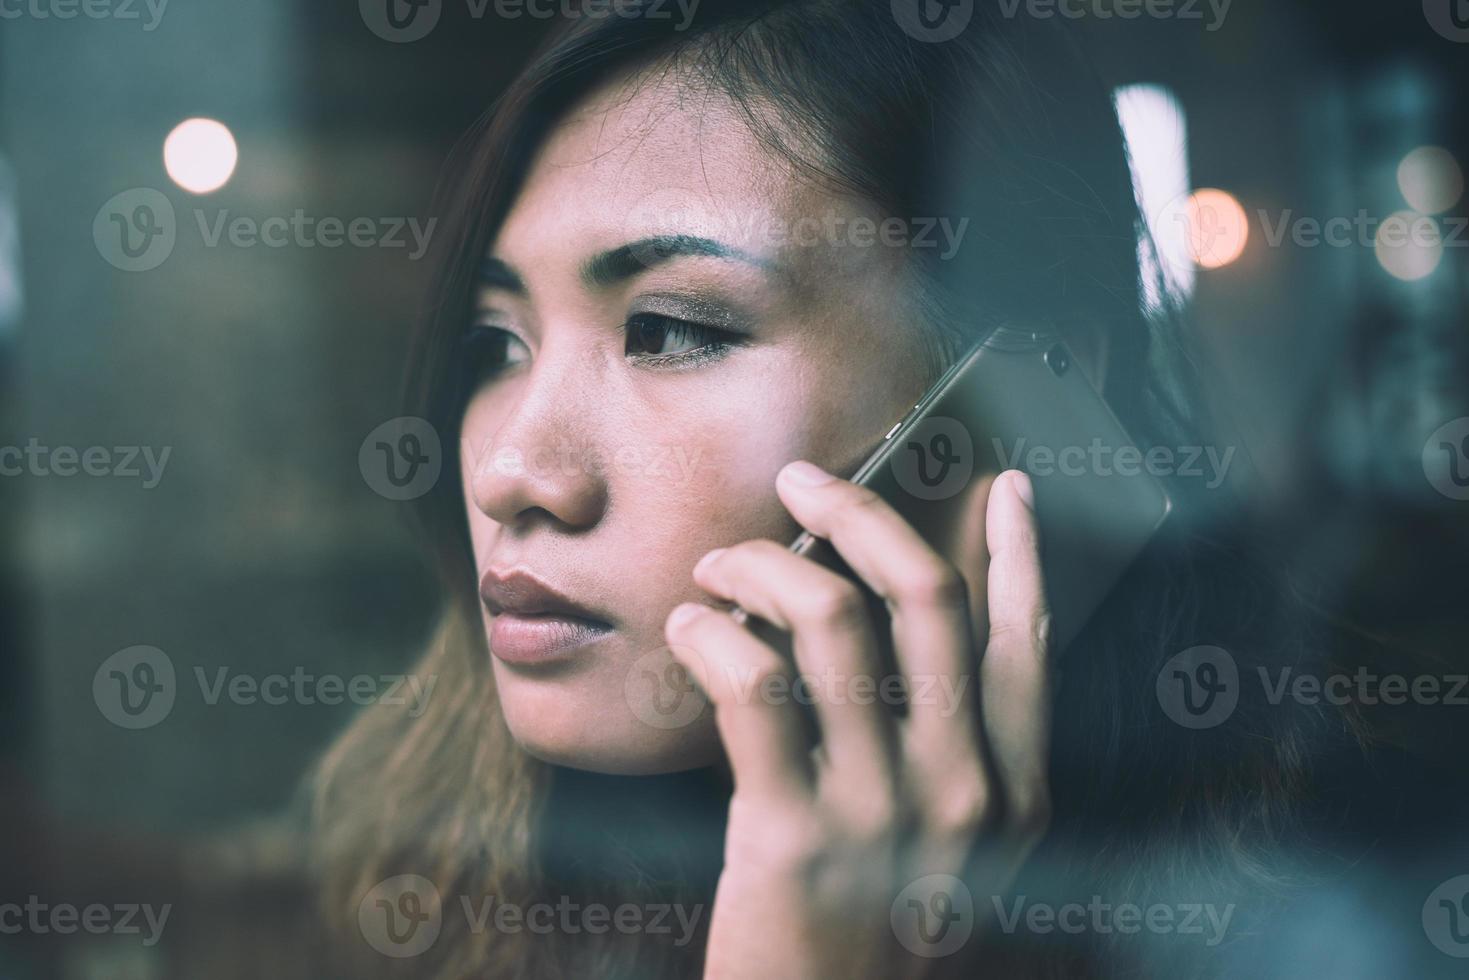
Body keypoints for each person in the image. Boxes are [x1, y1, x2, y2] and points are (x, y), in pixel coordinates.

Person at [314, 2, 1352, 976]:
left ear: (1005, 394)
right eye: (498, 342)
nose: (511, 473)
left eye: (668, 329)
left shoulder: (1311, 919)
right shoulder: (448, 872)